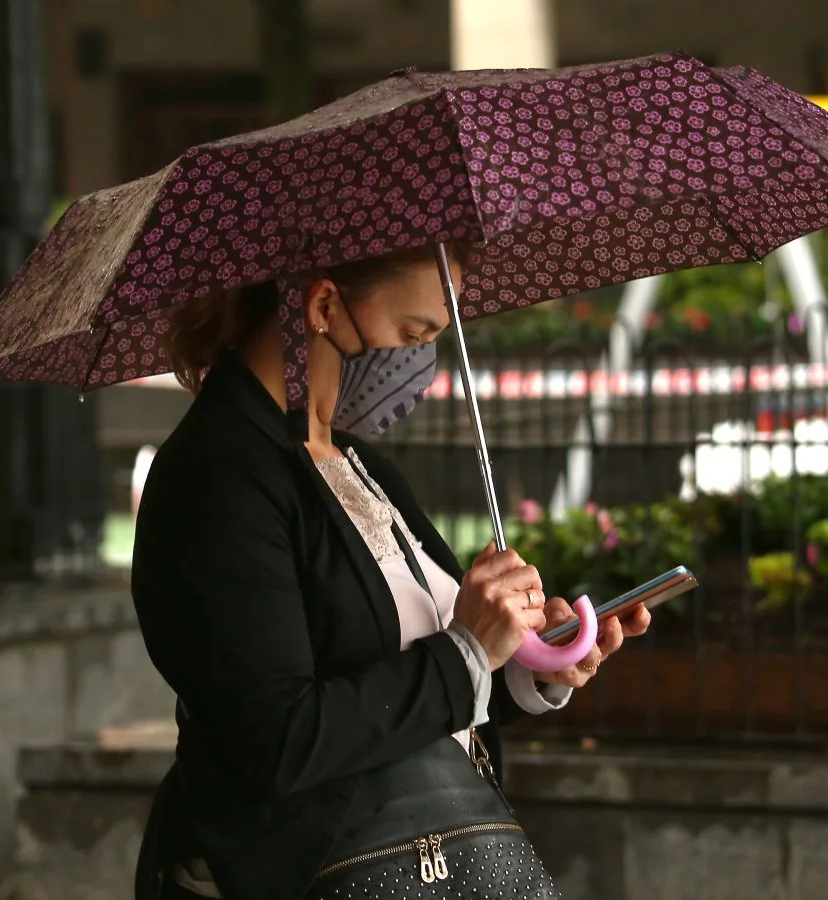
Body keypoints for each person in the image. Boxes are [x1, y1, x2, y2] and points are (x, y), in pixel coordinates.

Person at [130, 244, 651, 900]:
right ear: (322, 305)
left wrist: (524, 667)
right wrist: (466, 652)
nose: (418, 360)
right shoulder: (219, 477)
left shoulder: (355, 463)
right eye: (412, 334)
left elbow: (412, 688)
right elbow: (277, 740)